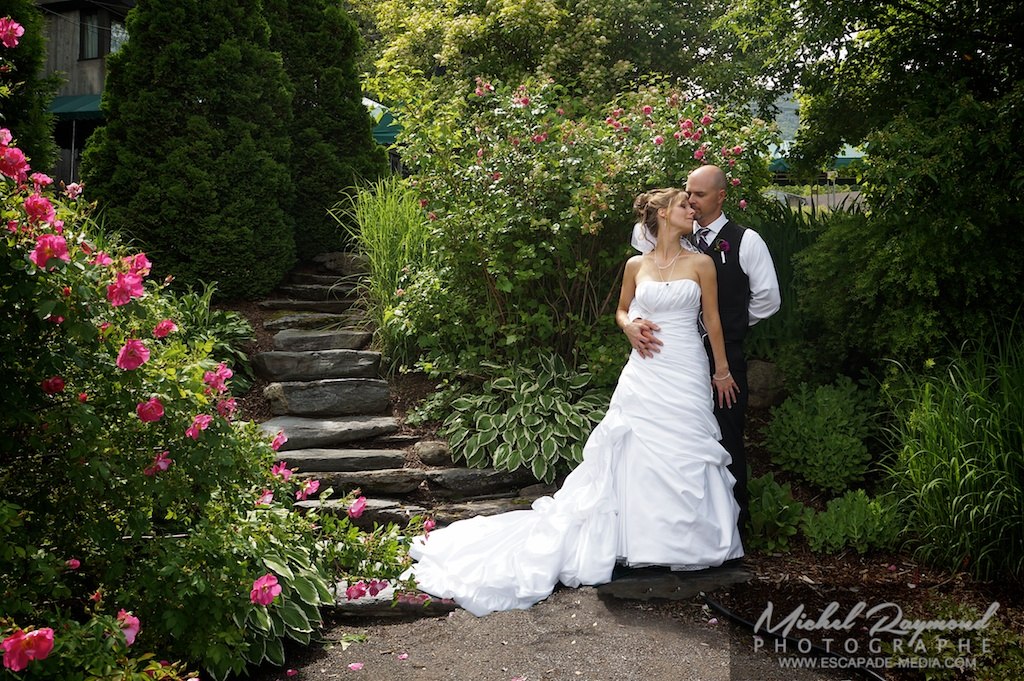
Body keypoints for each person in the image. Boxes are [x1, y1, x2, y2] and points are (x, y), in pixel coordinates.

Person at [409, 188, 744, 617]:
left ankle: (688, 542)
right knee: (634, 448)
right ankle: (631, 540)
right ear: (662, 215)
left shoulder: (701, 263)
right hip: (646, 370)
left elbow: (712, 319)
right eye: (683, 205)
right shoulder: (635, 265)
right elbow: (622, 310)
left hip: (686, 367)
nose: (691, 210)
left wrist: (721, 370)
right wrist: (628, 327)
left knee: (687, 449)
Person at [625, 165, 781, 538]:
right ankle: (658, 528)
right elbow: (640, 290)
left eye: (699, 195)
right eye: (688, 194)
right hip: (666, 357)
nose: (691, 200)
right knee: (661, 441)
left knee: (724, 440)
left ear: (720, 196)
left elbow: (768, 299)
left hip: (722, 356)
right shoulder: (664, 233)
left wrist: (733, 329)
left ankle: (732, 529)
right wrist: (632, 324)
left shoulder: (746, 240)